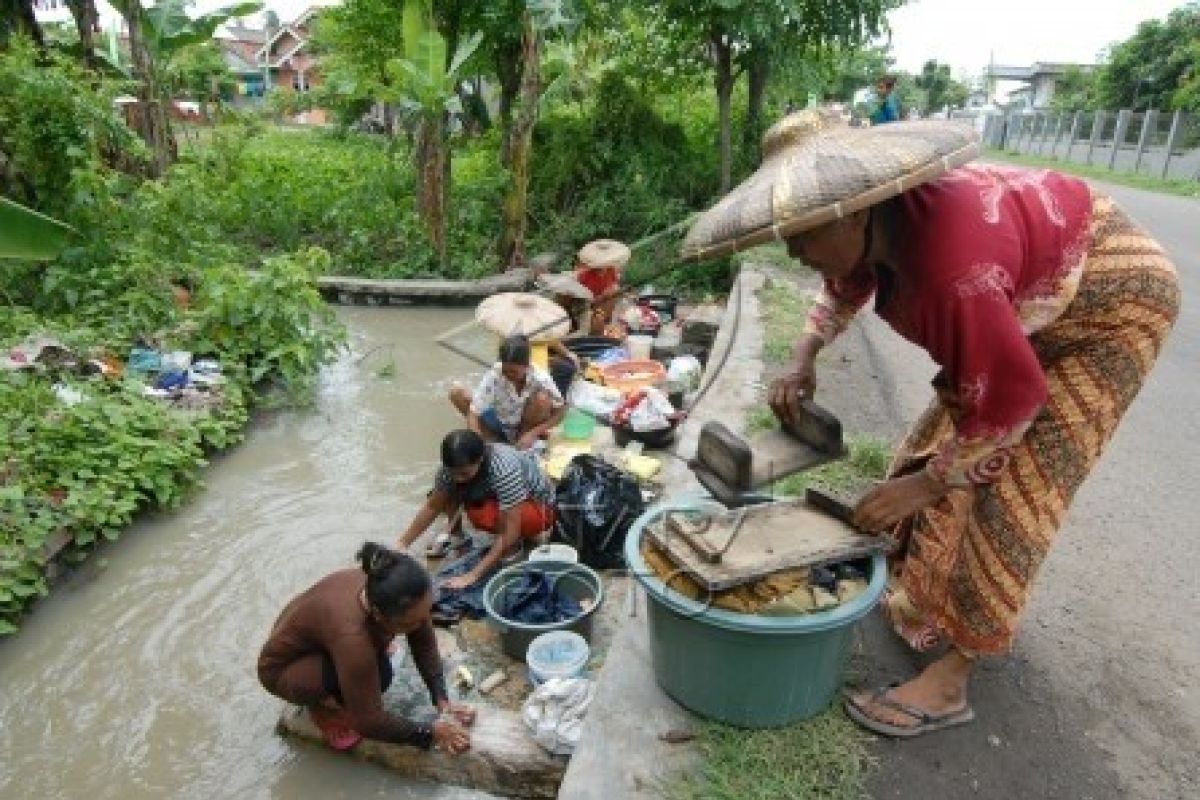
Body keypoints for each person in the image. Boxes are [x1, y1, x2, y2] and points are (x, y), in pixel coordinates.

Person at [681, 110, 1179, 737]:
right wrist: (803, 357)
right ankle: (925, 591)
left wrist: (925, 487)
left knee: (1016, 486)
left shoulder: (952, 272)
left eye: (801, 233)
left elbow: (1011, 401)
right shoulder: (878, 219)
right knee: (934, 450)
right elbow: (844, 283)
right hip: (1030, 291)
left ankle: (951, 682)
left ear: (853, 212)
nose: (793, 250)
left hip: (1114, 300)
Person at [257, 542, 476, 752]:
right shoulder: (353, 638)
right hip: (281, 670)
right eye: (410, 624)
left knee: (375, 665)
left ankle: (344, 680)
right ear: (379, 615)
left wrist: (442, 700)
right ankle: (322, 708)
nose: (420, 625)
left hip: (322, 641)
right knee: (380, 676)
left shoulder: (383, 585)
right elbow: (369, 723)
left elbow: (424, 642)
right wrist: (430, 732)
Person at [398, 429, 557, 589]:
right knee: (444, 491)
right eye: (453, 472)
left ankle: (514, 548)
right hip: (497, 495)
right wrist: (403, 543)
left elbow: (510, 530)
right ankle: (458, 536)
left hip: (539, 506)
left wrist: (472, 575)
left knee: (489, 521)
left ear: (480, 459)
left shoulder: (503, 469)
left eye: (464, 473)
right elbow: (432, 506)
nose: (457, 478)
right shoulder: (449, 470)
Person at [449, 334, 565, 451]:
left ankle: (521, 439)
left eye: (513, 372)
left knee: (542, 399)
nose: (508, 375)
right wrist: (475, 436)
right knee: (457, 393)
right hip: (500, 419)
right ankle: (492, 440)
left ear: (526, 366)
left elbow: (560, 412)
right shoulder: (495, 374)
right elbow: (474, 411)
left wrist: (533, 433)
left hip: (525, 426)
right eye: (505, 370)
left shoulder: (541, 379)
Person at [574, 239, 631, 335]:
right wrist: (602, 296)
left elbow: (615, 287)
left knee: (615, 291)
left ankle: (606, 322)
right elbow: (582, 302)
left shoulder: (611, 270)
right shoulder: (585, 275)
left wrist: (622, 293)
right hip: (589, 306)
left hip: (605, 304)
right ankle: (598, 328)